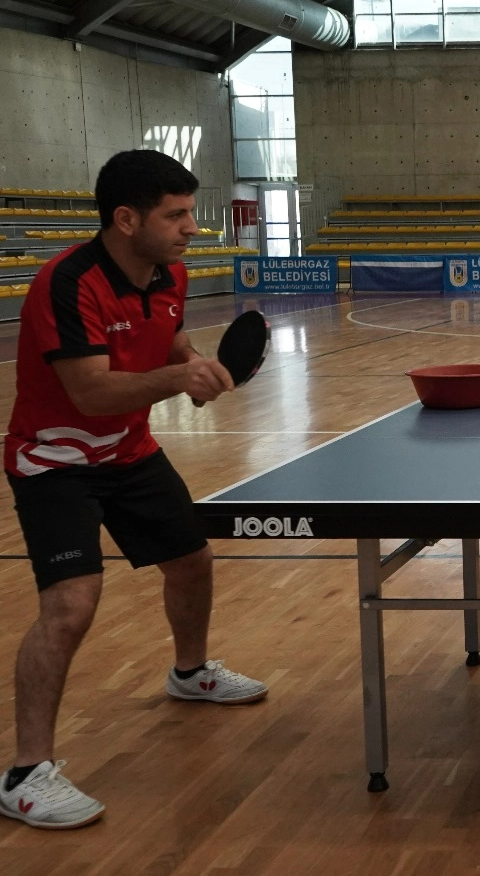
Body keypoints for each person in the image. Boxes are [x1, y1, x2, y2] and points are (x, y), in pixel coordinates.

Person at [1, 150, 269, 831]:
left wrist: (195, 364)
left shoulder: (169, 273)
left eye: (190, 213)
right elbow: (90, 393)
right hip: (55, 459)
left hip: (129, 450)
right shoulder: (67, 283)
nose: (191, 228)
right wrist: (180, 381)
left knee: (192, 560)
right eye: (175, 216)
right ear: (126, 219)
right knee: (71, 605)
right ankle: (26, 773)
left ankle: (190, 672)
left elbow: (169, 337)